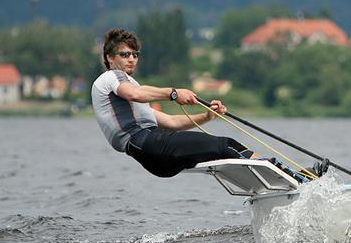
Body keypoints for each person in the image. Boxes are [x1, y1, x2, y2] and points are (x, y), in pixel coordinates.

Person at [91, 27, 311, 181]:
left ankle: (274, 182)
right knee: (227, 145)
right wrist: (174, 94)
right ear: (110, 58)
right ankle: (295, 177)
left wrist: (207, 116)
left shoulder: (130, 89)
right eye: (125, 54)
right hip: (147, 146)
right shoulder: (111, 78)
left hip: (154, 156)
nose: (132, 59)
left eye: (135, 54)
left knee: (225, 151)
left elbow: (170, 121)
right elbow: (135, 94)